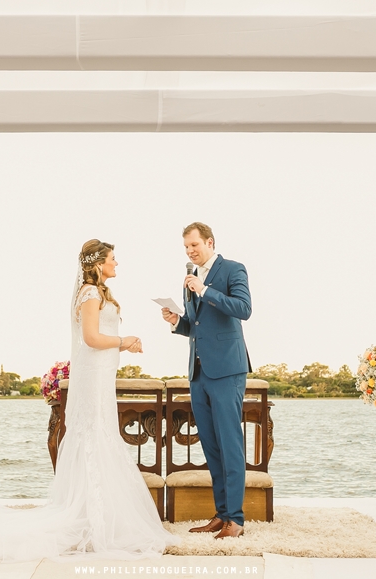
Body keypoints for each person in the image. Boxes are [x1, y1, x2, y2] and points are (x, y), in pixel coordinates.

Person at [0, 240, 177, 563]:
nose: (117, 264)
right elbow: (91, 338)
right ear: (97, 263)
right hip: (93, 376)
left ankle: (97, 512)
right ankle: (91, 515)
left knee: (100, 435)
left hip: (101, 375)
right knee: (93, 436)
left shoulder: (99, 292)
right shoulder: (90, 294)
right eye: (113, 259)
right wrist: (125, 341)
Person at [161, 222, 252, 539]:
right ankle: (222, 514)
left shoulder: (233, 269)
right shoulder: (189, 277)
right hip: (198, 373)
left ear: (210, 242)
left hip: (227, 370)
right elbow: (196, 326)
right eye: (186, 247)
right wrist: (177, 322)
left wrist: (205, 291)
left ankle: (236, 520)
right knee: (212, 447)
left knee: (231, 445)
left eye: (194, 246)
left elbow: (243, 309)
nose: (190, 252)